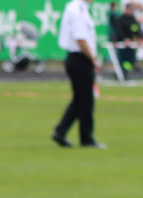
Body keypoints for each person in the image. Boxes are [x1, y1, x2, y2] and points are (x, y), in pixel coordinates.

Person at [52, 0, 103, 148]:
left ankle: (61, 132)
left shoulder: (80, 8)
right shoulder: (77, 10)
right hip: (80, 58)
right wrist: (92, 59)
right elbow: (80, 39)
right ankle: (85, 137)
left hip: (78, 58)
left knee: (81, 99)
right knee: (85, 100)